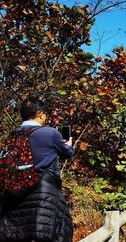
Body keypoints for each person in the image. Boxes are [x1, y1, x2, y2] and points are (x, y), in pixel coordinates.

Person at [0, 97, 74, 242]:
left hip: (12, 201)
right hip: (43, 198)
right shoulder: (49, 133)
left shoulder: (11, 137)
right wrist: (68, 144)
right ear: (40, 114)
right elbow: (68, 154)